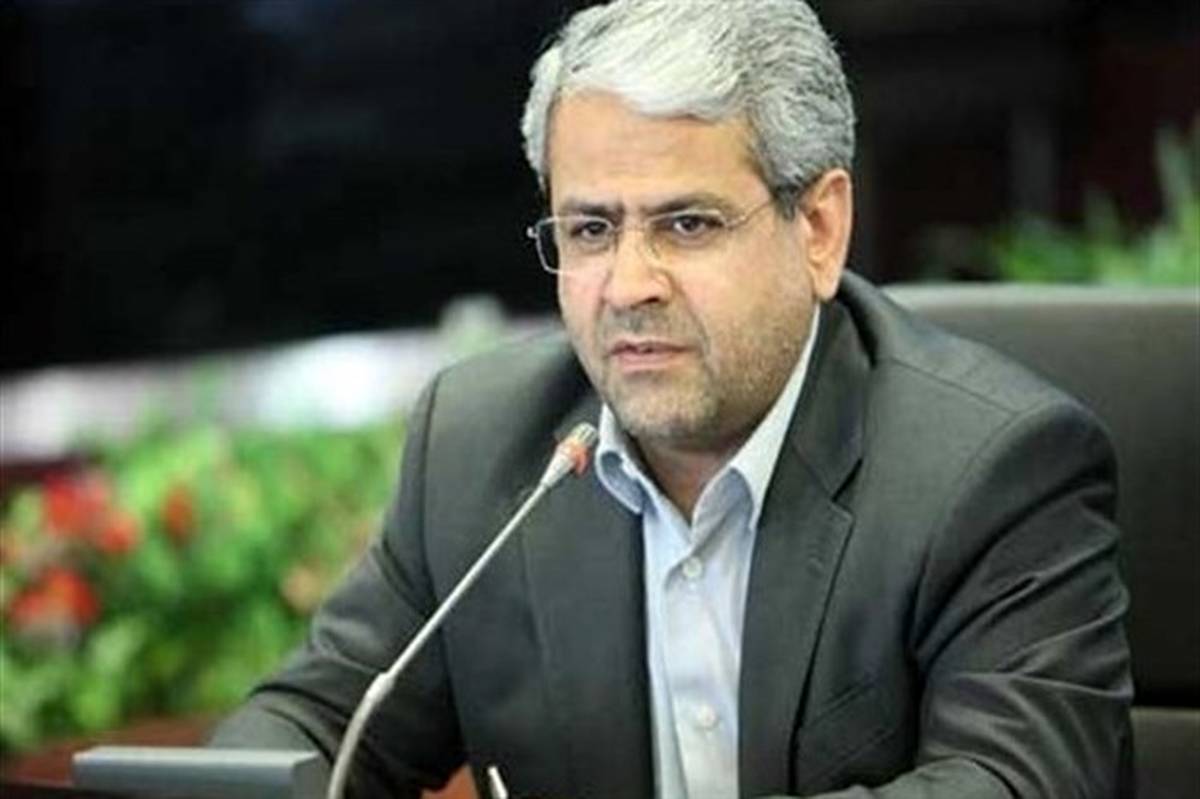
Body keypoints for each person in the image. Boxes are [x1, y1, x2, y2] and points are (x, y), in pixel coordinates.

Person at [211, 1, 1134, 796]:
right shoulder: (481, 448)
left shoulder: (993, 473)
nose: (628, 285)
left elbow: (1014, 782)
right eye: (590, 229)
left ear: (819, 228)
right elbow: (317, 723)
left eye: (686, 224)